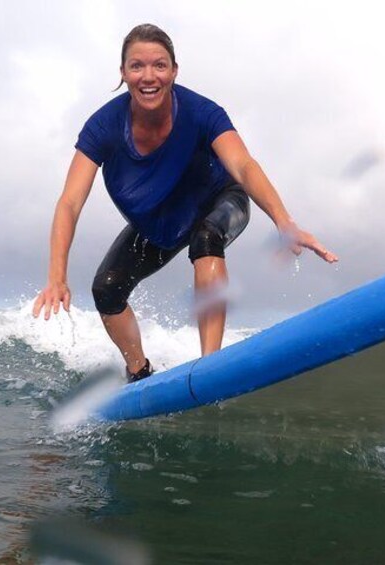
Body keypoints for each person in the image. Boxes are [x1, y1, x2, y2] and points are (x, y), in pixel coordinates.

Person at [33, 24, 338, 382]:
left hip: (219, 201)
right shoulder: (103, 127)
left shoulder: (201, 112)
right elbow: (70, 201)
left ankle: (210, 368)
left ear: (174, 70)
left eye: (160, 65)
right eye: (137, 66)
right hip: (161, 223)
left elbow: (242, 165)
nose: (149, 76)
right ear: (123, 73)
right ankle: (139, 373)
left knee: (206, 238)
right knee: (107, 288)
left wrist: (284, 222)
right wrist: (57, 277)